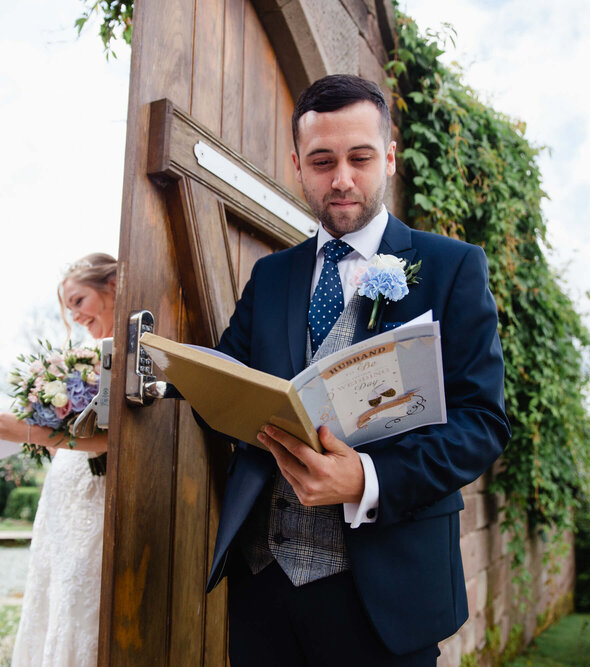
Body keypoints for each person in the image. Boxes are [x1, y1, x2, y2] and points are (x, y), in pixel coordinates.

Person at [205, 75, 511, 665]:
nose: (341, 178)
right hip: (261, 587)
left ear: (389, 157)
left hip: (388, 593)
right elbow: (228, 387)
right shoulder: (271, 276)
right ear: (298, 164)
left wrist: (367, 480)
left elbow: (482, 423)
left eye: (359, 158)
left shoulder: (451, 268)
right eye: (322, 161)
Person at [0, 252, 117, 667]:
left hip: (95, 494)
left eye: (78, 301)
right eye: (68, 307)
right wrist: (26, 431)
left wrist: (27, 433)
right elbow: (71, 438)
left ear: (110, 285)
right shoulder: (82, 355)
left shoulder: (120, 353)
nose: (74, 315)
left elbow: (113, 441)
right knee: (49, 592)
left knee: (78, 597)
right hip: (63, 488)